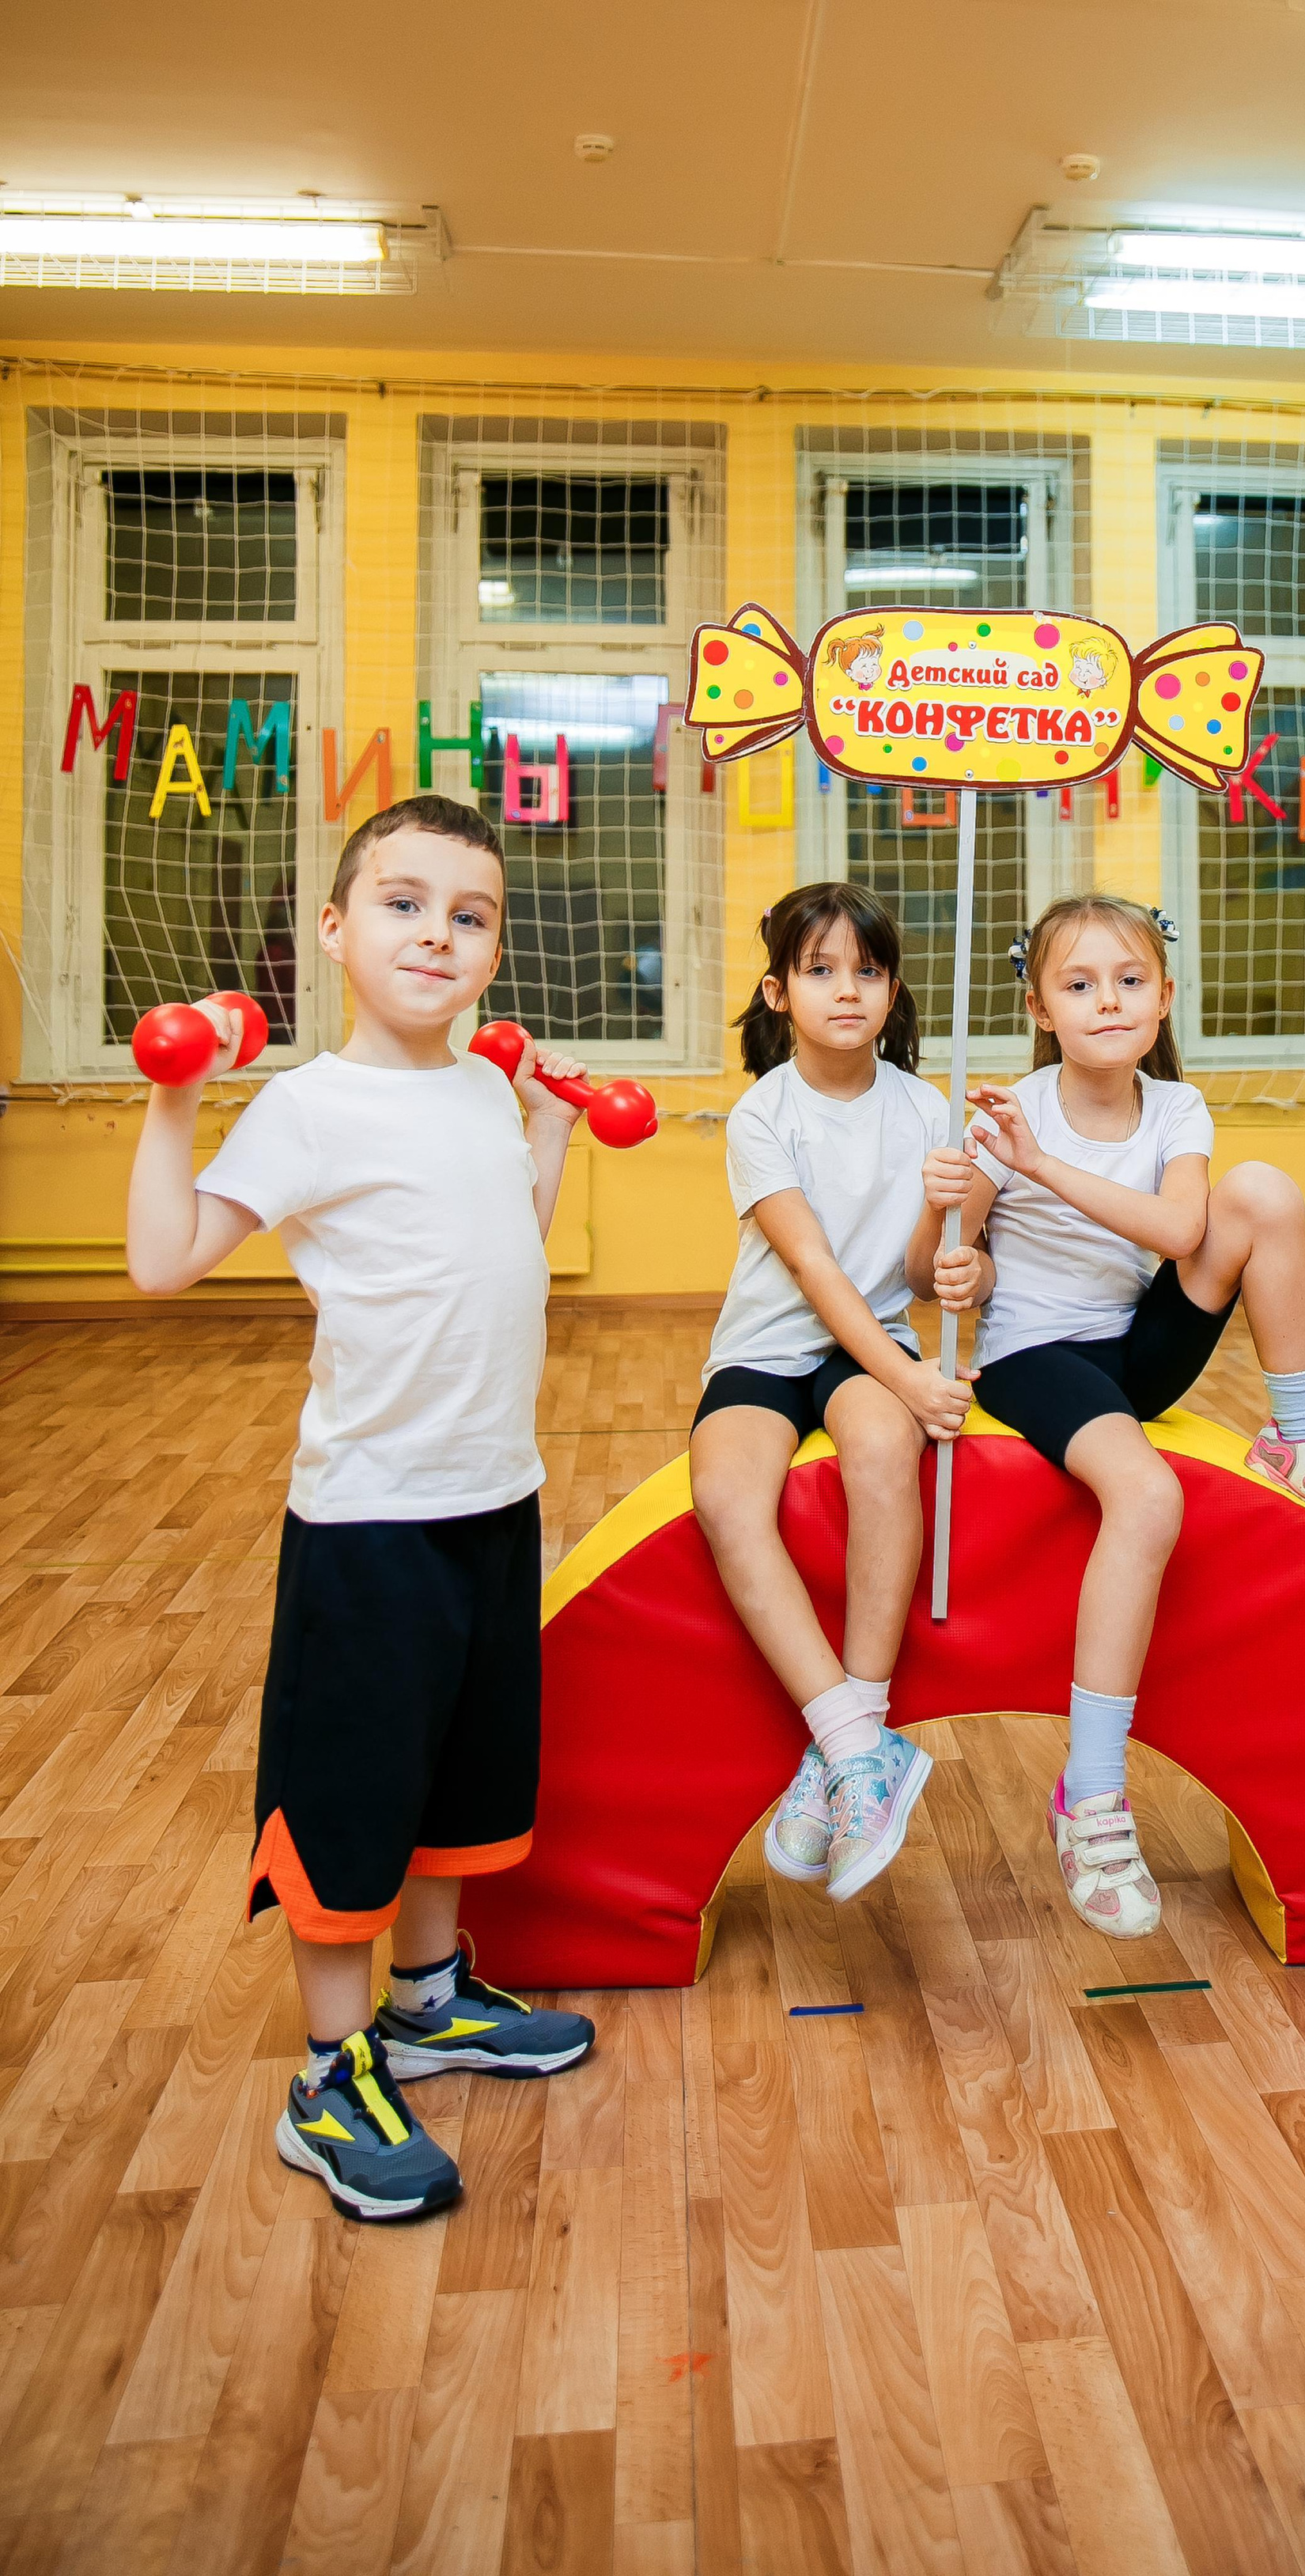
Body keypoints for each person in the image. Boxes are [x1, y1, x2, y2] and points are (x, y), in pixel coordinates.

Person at [125, 794, 597, 2222]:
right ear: (334, 930)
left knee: (462, 1776)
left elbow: (508, 1244)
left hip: (492, 1497)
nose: (435, 935)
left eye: (469, 916)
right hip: (370, 1525)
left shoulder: (468, 1088)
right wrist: (175, 1093)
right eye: (401, 903)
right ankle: (330, 2079)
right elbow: (163, 1263)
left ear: (494, 952)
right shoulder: (309, 1106)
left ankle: (430, 2004)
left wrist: (548, 1129)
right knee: (351, 1800)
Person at [920, 894, 1305, 1941]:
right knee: (1145, 1494)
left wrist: (1041, 1169)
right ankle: (1090, 1798)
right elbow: (933, 1271)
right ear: (1040, 1007)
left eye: (1130, 981)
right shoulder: (1011, 1113)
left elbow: (1186, 1228)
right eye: (1080, 984)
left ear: (1164, 996)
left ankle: (1303, 1433)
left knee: (1263, 1192)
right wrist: (951, 1227)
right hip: (1035, 1358)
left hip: (1136, 1345)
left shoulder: (1174, 1110)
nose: (1108, 1002)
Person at [689, 883, 964, 1904]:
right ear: (778, 991)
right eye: (819, 970)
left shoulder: (932, 1109)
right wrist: (915, 1381)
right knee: (725, 1498)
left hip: (873, 1344)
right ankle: (855, 1748)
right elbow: (811, 1269)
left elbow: (924, 1274)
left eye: (868, 970)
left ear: (893, 990)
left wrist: (952, 1241)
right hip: (770, 1346)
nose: (846, 989)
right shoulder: (763, 1113)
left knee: (887, 1454)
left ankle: (859, 1725)